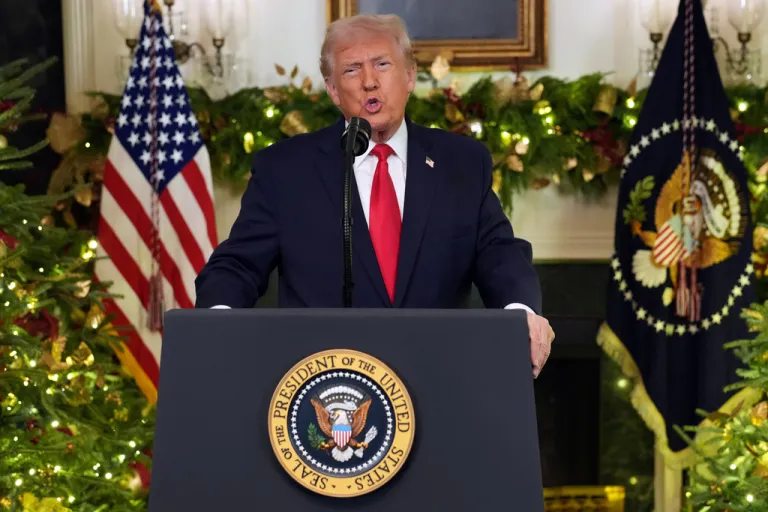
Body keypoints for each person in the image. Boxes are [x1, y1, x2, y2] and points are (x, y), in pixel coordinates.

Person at [194, 13, 554, 377]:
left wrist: (520, 313)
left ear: (409, 75)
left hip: (438, 375)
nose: (369, 82)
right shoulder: (286, 170)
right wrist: (218, 320)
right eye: (351, 70)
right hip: (328, 383)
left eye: (382, 64)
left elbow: (499, 252)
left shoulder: (461, 162)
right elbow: (238, 265)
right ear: (333, 90)